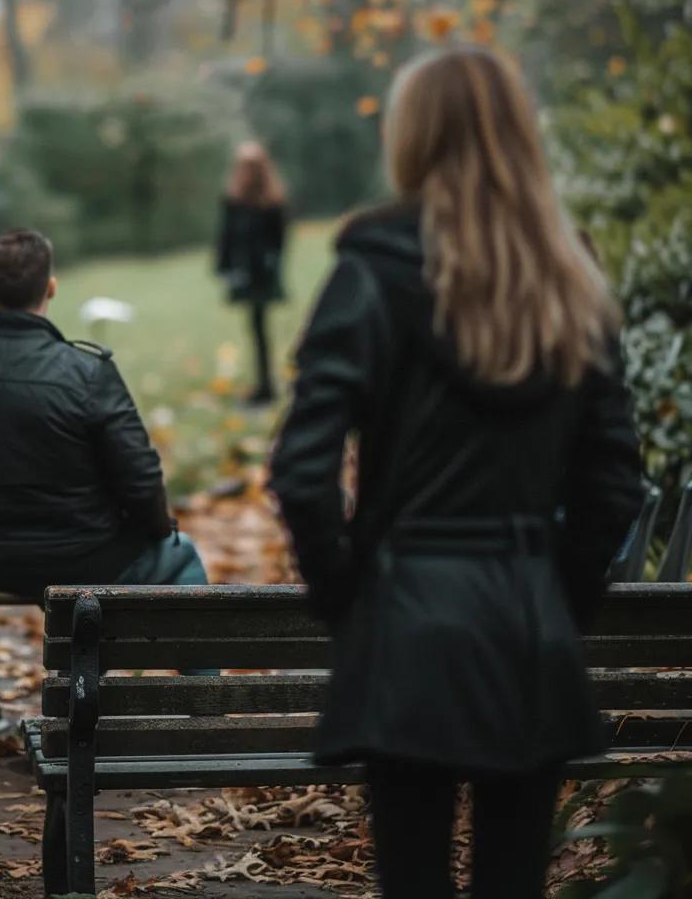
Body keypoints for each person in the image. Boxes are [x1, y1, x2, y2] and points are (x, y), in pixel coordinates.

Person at [270, 47, 643, 899]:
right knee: (516, 881)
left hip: (406, 619)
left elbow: (303, 467)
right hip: (527, 618)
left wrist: (349, 600)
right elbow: (615, 481)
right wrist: (556, 598)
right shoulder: (572, 278)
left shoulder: (370, 272)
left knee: (414, 880)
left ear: (415, 137)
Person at [0, 229, 208, 742]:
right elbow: (141, 478)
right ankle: (207, 707)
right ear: (49, 288)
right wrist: (152, 531)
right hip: (91, 554)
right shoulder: (88, 371)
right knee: (182, 556)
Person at [216, 141, 288, 404]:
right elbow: (226, 237)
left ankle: (266, 385)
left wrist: (269, 267)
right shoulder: (234, 202)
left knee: (259, 328)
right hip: (243, 274)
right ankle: (264, 382)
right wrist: (224, 268)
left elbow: (279, 243)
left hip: (262, 277)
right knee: (255, 328)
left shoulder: (271, 204)